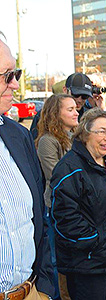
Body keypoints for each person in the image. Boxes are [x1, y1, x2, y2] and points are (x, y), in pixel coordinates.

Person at [50, 108, 106, 300]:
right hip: (87, 266)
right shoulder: (70, 168)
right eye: (101, 131)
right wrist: (94, 243)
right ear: (85, 133)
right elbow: (65, 217)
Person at [0, 35, 54, 299]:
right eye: (7, 76)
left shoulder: (18, 137)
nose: (15, 84)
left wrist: (42, 287)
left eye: (16, 73)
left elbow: (38, 217)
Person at [36, 94, 79, 300]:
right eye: (69, 109)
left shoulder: (75, 138)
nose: (76, 112)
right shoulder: (47, 141)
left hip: (76, 206)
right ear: (56, 113)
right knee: (55, 259)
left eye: (75, 108)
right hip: (55, 208)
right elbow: (56, 176)